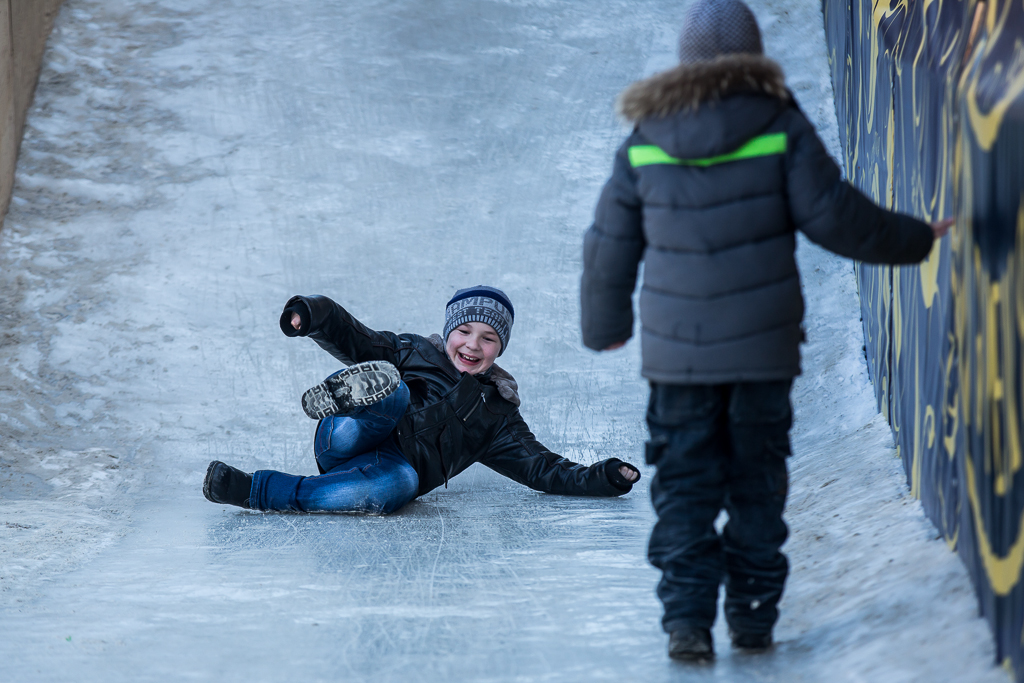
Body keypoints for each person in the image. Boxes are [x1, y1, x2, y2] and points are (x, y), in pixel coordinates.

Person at [579, 0, 952, 662]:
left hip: (679, 361)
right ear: (755, 56)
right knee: (757, 482)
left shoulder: (646, 137)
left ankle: (687, 624)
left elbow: (609, 243)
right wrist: (917, 237)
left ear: (684, 61)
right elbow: (838, 218)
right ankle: (753, 618)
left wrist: (605, 324)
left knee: (686, 488)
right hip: (762, 354)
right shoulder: (779, 124)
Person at [203, 285, 640, 515]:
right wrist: (311, 314)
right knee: (391, 391)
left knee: (399, 487)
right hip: (346, 437)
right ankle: (347, 395)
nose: (473, 345)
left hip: (388, 467)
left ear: (500, 349)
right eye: (464, 332)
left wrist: (608, 476)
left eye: (488, 339)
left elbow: (545, 470)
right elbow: (356, 336)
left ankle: (254, 490)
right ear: (449, 331)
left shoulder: (498, 416)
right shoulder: (414, 350)